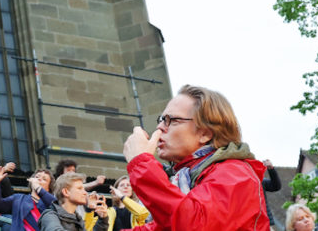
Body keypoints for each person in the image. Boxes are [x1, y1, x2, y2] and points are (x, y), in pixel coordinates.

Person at [122, 84, 270, 230]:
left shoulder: (235, 174)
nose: (160, 127)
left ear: (205, 133)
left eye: (172, 120)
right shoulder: (187, 177)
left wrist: (141, 163)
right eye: (161, 119)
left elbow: (192, 225)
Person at [0, 167, 56, 231]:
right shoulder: (18, 198)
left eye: (44, 179)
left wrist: (38, 188)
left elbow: (57, 206)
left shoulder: (50, 202)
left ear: (49, 188)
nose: (39, 179)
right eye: (37, 177)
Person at [85, 175, 149, 231]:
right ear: (115, 191)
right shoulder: (107, 211)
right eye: (121, 185)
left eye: (128, 185)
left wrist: (122, 197)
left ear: (132, 190)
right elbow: (88, 228)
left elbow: (143, 213)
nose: (125, 187)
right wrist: (89, 210)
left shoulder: (136, 210)